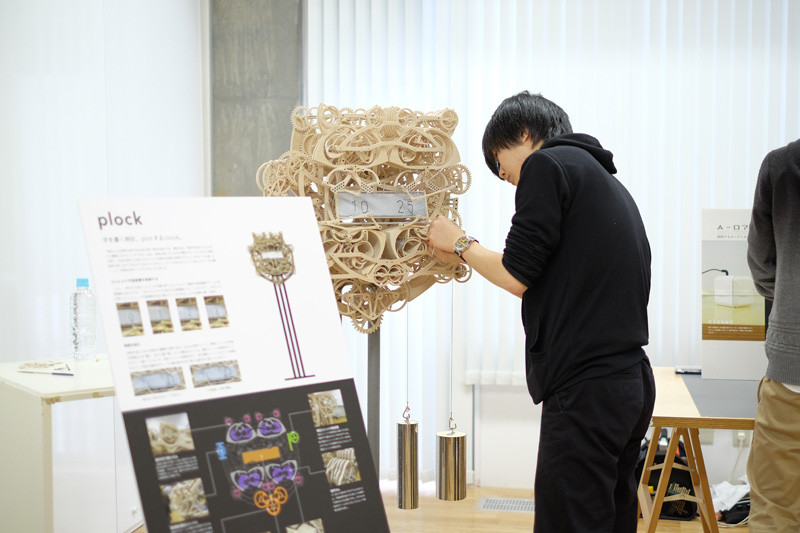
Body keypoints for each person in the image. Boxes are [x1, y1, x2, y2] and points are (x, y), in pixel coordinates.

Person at [427, 91, 655, 532]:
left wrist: (459, 242)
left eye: (499, 160)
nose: (503, 175)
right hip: (630, 383)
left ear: (526, 134)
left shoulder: (546, 166)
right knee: (612, 517)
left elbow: (517, 273)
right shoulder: (606, 182)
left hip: (587, 388)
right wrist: (467, 254)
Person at [746, 138, 800, 533]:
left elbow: (762, 265)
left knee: (776, 512)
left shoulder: (782, 166)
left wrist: (786, 296)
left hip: (793, 367)